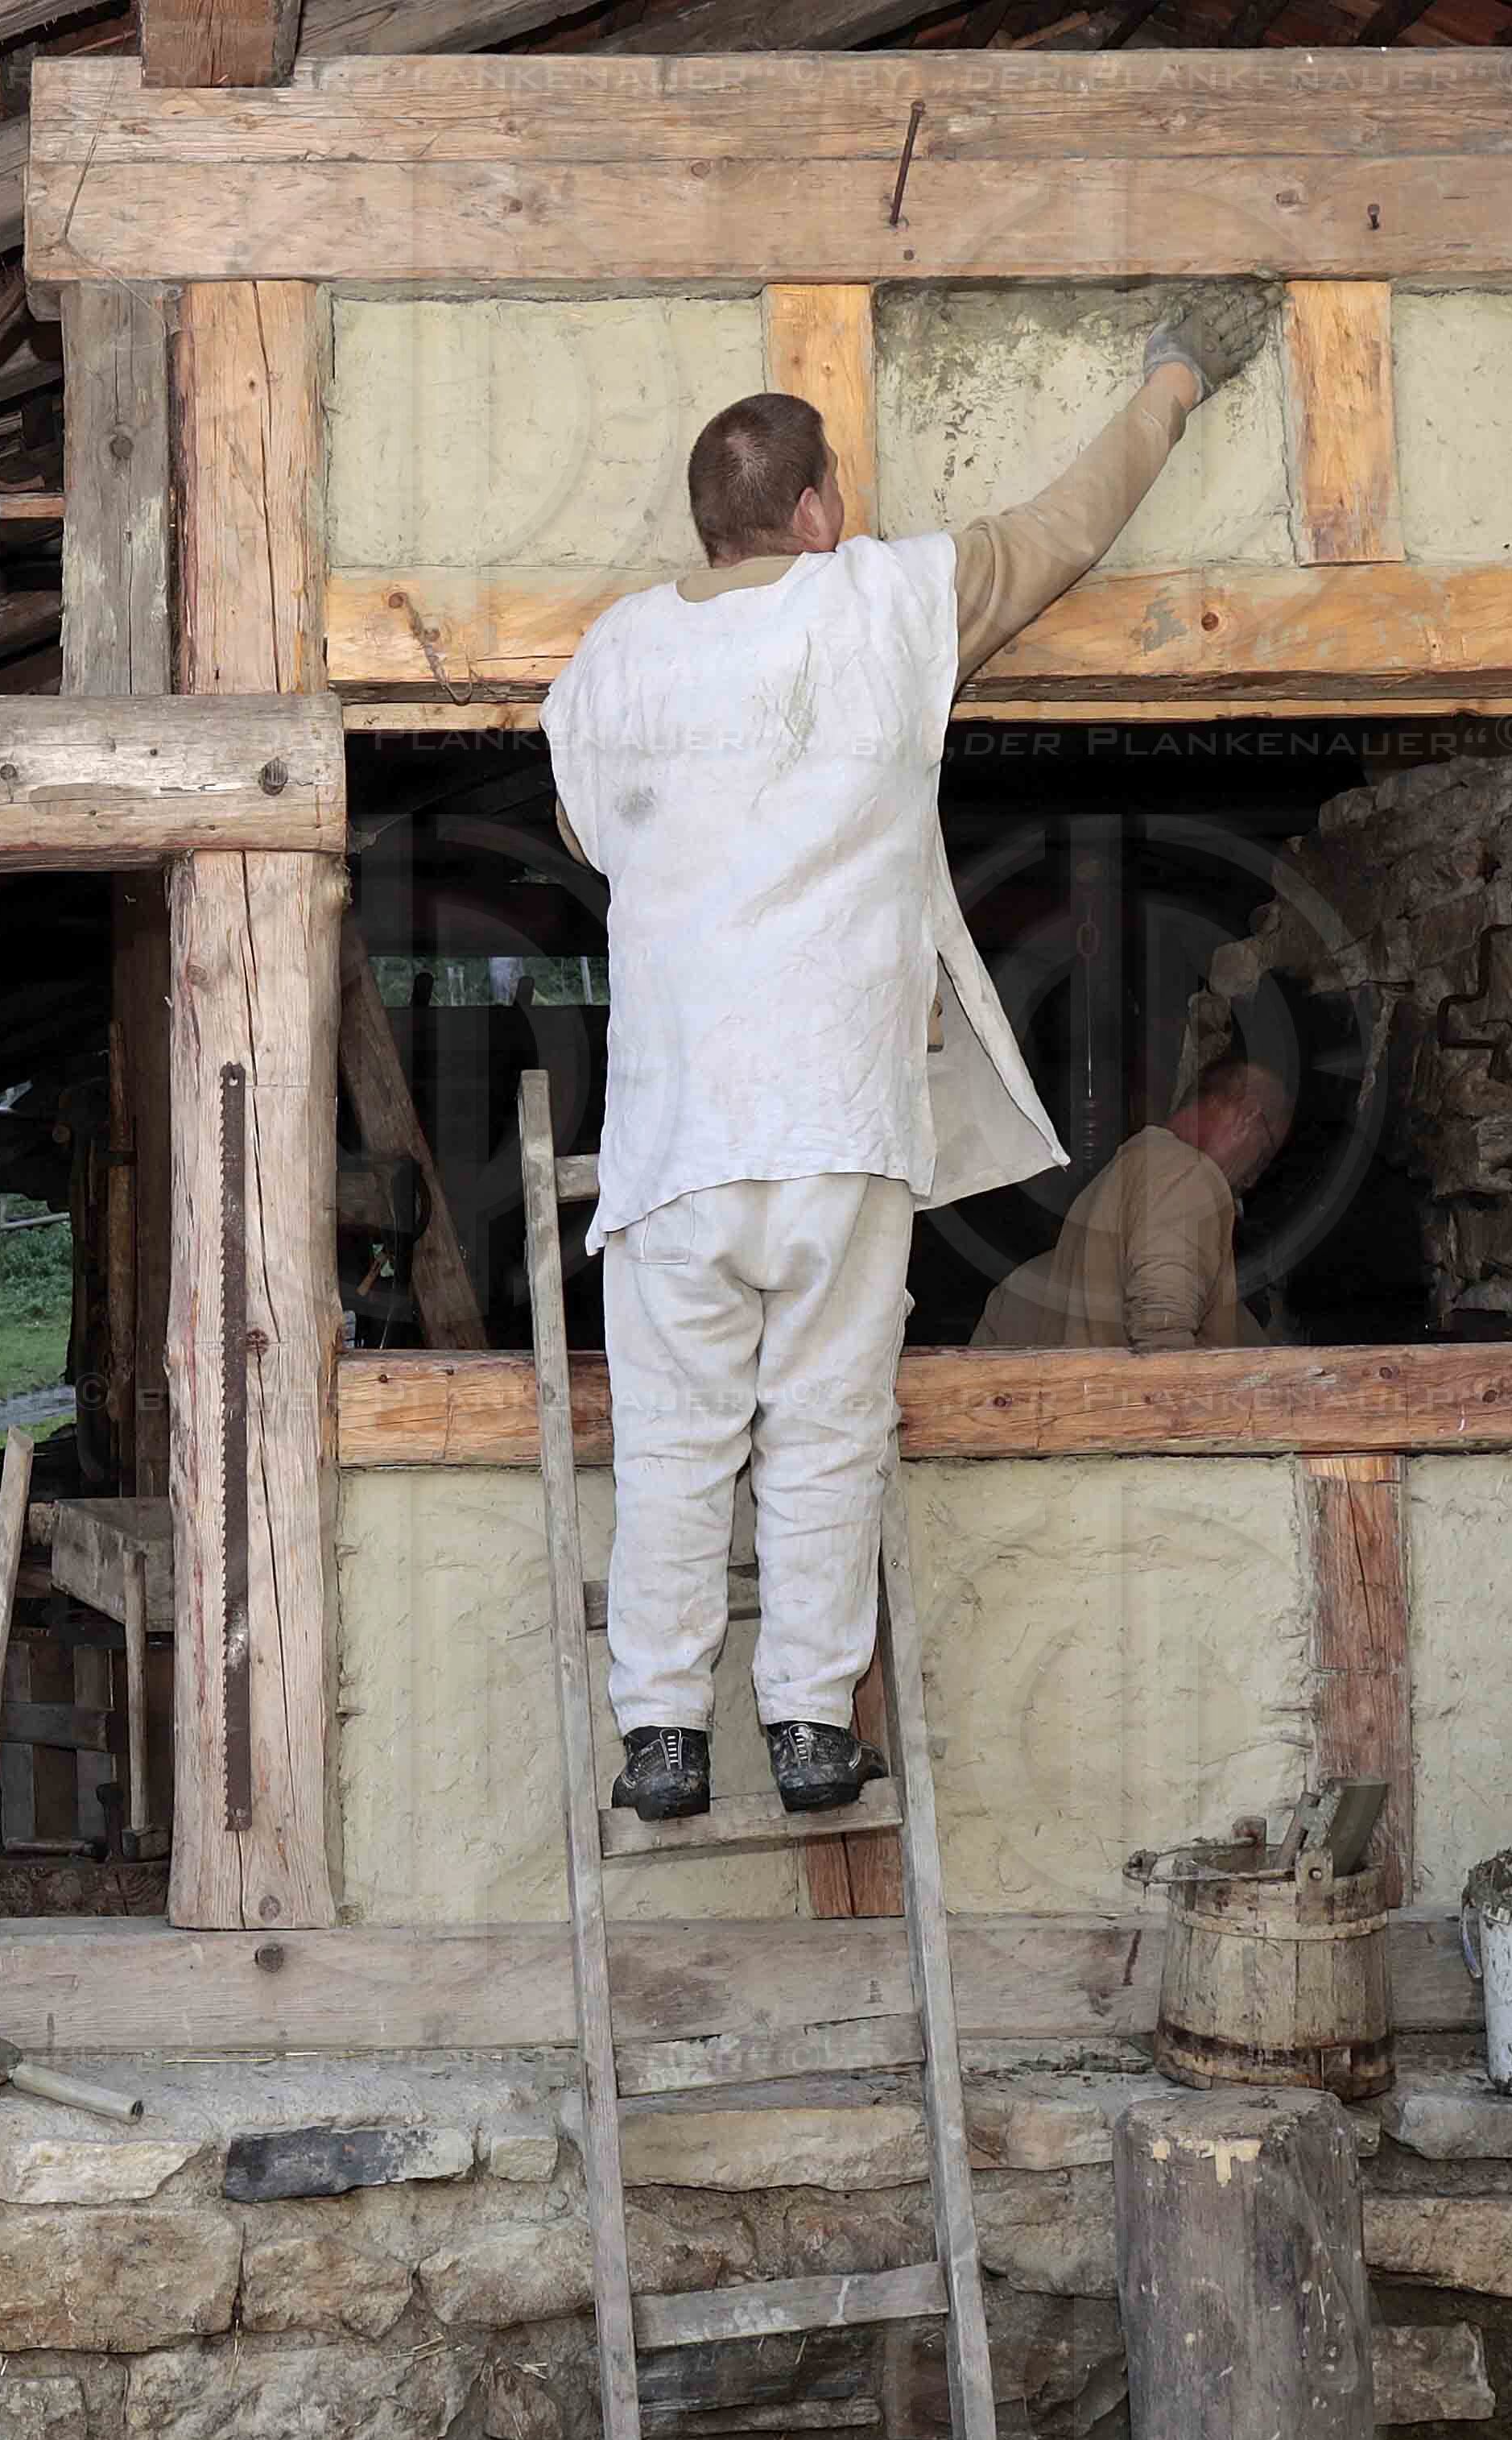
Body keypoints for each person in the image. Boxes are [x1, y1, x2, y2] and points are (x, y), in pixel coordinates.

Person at [543, 293, 1273, 1822]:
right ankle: (810, 1727)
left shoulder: (612, 658)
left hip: (673, 1145)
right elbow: (1064, 528)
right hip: (835, 1123)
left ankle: (661, 1735)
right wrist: (1172, 381)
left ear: (710, 523)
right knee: (825, 1434)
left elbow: (586, 832)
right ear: (816, 510)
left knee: (672, 1448)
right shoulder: (879, 601)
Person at [971, 1057, 1295, 1352]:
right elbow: (1164, 1339)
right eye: (1262, 1156)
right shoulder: (1189, 1173)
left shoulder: (1028, 1282)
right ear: (1248, 1115)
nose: (1252, 1180)